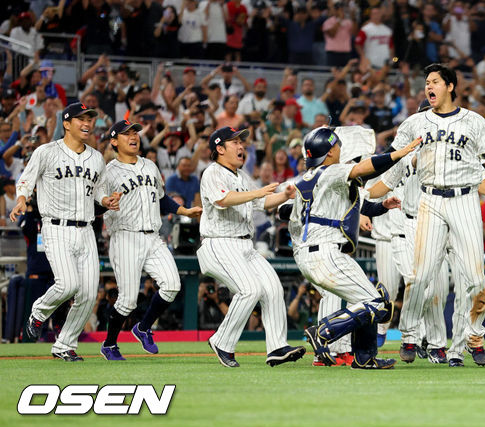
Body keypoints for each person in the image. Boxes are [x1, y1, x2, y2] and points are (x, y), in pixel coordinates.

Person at [389, 63, 485, 367]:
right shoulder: (415, 123)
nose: (429, 87)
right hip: (430, 200)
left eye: (435, 82)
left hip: (465, 200)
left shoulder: (474, 121)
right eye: (426, 82)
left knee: (476, 279)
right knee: (422, 275)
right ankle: (410, 334)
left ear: (450, 86)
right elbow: (391, 155)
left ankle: (473, 337)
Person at [287, 126, 419, 369]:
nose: (340, 148)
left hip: (310, 251)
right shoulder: (331, 170)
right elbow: (364, 168)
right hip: (325, 251)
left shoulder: (308, 178)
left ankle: (364, 357)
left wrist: (380, 208)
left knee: (367, 298)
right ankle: (324, 332)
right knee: (377, 303)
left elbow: (292, 214)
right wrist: (398, 153)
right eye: (336, 145)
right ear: (328, 153)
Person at [9, 102, 120, 361]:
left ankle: (64, 344)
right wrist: (22, 198)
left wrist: (106, 201)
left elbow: (100, 191)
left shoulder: (95, 157)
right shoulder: (46, 152)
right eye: (81, 119)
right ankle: (39, 311)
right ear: (66, 124)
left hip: (86, 229)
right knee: (68, 284)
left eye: (90, 119)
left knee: (89, 293)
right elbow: (25, 179)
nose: (87, 123)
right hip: (56, 226)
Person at [196, 126, 305, 368]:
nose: (241, 146)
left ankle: (277, 348)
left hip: (245, 245)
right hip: (219, 243)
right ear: (220, 148)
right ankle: (222, 341)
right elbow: (223, 199)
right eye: (234, 142)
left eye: (241, 141)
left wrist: (285, 195)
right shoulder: (212, 172)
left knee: (273, 288)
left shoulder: (242, 175)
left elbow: (263, 201)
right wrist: (258, 191)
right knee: (250, 290)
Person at [99, 120, 202, 360]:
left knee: (172, 285)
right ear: (114, 141)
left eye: (135, 132)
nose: (133, 136)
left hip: (153, 237)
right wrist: (104, 203)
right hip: (125, 236)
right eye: (126, 134)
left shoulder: (150, 166)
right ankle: (110, 344)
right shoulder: (108, 171)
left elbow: (163, 199)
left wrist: (184, 211)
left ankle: (143, 327)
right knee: (127, 301)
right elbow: (96, 203)